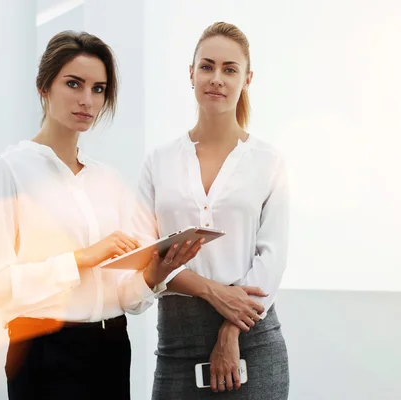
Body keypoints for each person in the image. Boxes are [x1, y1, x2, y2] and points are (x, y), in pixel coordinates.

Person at [0, 30, 202, 400]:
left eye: (98, 89)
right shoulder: (9, 170)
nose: (87, 100)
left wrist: (152, 275)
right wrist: (80, 259)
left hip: (111, 346)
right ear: (43, 87)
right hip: (43, 351)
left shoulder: (107, 180)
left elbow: (123, 296)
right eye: (74, 84)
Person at [140, 22, 290, 399]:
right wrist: (210, 291)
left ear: (247, 79)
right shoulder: (158, 161)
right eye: (206, 67)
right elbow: (144, 257)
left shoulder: (268, 162)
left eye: (229, 69)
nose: (216, 78)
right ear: (191, 74)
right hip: (176, 344)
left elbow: (271, 259)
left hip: (252, 341)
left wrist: (230, 330)